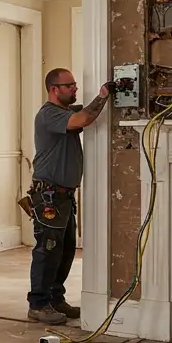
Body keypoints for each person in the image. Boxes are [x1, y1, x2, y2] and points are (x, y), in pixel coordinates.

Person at [25, 68, 112, 324]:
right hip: (49, 197)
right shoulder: (48, 114)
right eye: (69, 85)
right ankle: (38, 304)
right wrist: (103, 94)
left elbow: (84, 114)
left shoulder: (63, 113)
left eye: (74, 84)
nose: (75, 88)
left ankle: (55, 299)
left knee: (64, 251)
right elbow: (84, 118)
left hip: (63, 197)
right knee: (47, 250)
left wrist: (106, 100)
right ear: (54, 89)